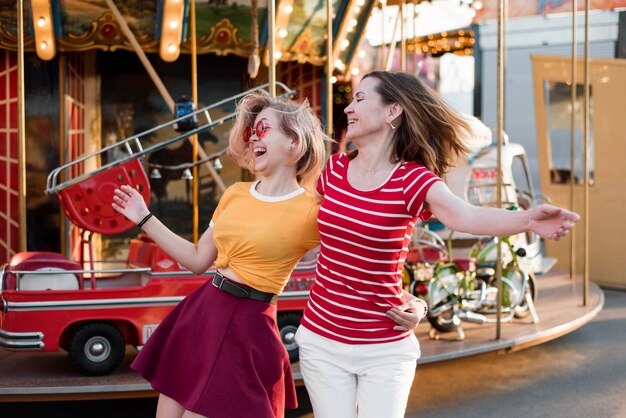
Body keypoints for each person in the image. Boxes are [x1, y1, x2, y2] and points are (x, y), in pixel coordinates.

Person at [295, 70, 580, 418]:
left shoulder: (411, 179)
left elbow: (467, 216)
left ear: (392, 111)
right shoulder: (334, 171)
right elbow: (303, 234)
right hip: (322, 339)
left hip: (384, 346)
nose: (348, 110)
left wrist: (527, 219)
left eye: (360, 98)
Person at [111, 92, 327, 418]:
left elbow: (357, 253)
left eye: (264, 128)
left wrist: (401, 299)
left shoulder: (312, 211)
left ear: (294, 143)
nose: (253, 135)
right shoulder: (235, 194)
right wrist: (144, 217)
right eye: (251, 130)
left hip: (249, 325)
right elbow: (198, 259)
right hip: (203, 312)